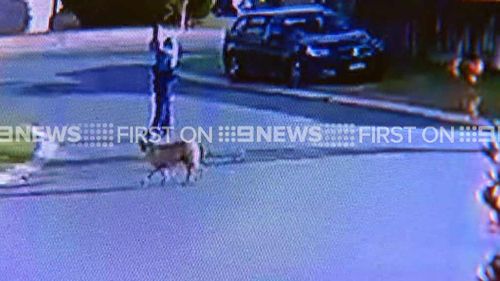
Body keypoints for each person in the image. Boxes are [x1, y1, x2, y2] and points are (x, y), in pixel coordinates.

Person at [147, 37, 179, 141]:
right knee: (163, 102)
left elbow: (170, 55)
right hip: (160, 75)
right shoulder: (161, 35)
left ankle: (157, 128)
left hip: (165, 76)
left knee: (162, 103)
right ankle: (166, 126)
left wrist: (159, 48)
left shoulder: (171, 40)